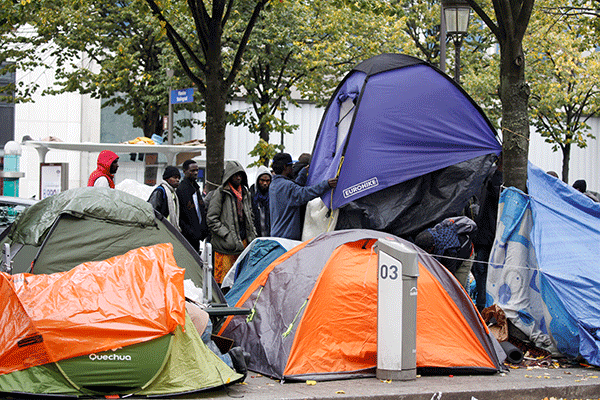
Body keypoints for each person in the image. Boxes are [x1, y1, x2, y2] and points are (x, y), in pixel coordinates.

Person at [206, 160, 256, 284]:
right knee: (223, 282)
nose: (238, 178)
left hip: (243, 243)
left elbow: (250, 216)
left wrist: (252, 234)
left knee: (240, 280)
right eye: (235, 175)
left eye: (240, 175)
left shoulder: (245, 193)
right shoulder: (221, 193)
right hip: (225, 247)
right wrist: (226, 234)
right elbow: (212, 218)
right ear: (229, 176)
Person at [269, 152, 337, 240]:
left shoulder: (274, 184)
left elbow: (293, 191)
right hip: (286, 239)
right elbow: (304, 193)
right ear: (285, 167)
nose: (292, 169)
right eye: (291, 166)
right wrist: (326, 184)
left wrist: (303, 174)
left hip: (277, 235)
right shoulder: (287, 186)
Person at [472, 160, 502, 311]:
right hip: (487, 235)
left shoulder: (493, 178)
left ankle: (484, 305)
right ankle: (483, 305)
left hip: (488, 235)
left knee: (483, 271)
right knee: (481, 270)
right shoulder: (489, 176)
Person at [414, 216, 476, 290]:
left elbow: (449, 276)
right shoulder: (428, 235)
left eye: (426, 251)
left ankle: (465, 300)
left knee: (458, 287)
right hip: (454, 253)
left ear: (432, 247)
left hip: (464, 256)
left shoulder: (449, 250)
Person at [176, 160, 209, 253]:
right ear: (184, 171)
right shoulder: (181, 190)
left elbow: (200, 210)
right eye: (192, 171)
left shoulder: (196, 188)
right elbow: (180, 215)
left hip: (197, 235)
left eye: (197, 170)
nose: (195, 173)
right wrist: (190, 231)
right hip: (187, 236)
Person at [147, 166, 181, 231]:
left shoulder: (173, 193)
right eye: (175, 177)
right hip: (161, 229)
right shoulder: (160, 191)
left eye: (178, 178)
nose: (177, 180)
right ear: (167, 179)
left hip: (170, 230)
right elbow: (152, 211)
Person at [249, 165, 272, 237]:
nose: (265, 183)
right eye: (262, 180)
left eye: (267, 181)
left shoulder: (272, 195)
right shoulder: (251, 194)